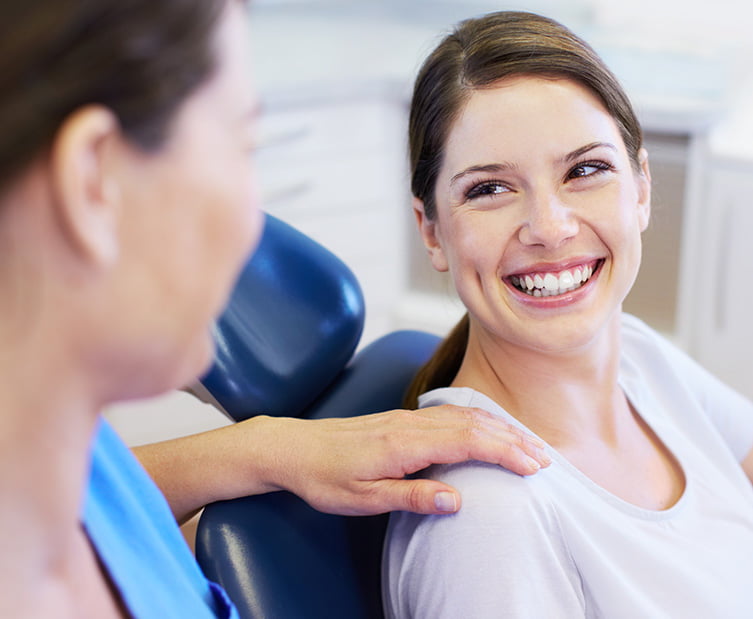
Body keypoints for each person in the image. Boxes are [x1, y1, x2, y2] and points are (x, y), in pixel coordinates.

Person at [0, 1, 555, 616]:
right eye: (240, 148)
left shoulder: (60, 451)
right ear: (91, 182)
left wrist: (265, 451)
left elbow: (103, 500)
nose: (254, 230)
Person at [383, 10, 753, 619]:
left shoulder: (642, 359)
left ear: (640, 189)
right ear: (431, 232)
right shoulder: (487, 519)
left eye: (585, 170)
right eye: (490, 189)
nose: (550, 229)